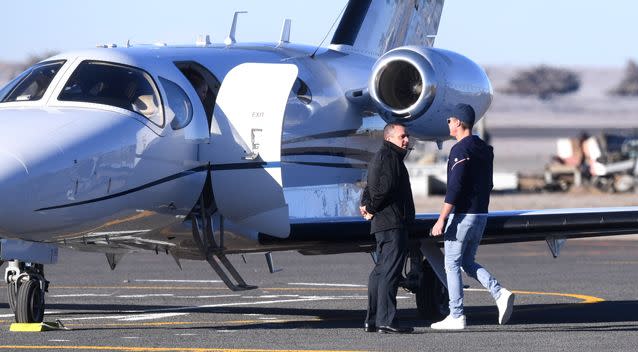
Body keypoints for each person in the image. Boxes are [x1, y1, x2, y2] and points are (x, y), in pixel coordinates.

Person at [430, 104, 515, 330]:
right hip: (481, 215)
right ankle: (499, 293)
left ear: (458, 122)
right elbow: (489, 184)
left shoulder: (460, 150)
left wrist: (441, 220)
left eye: (449, 120)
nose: (447, 123)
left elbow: (454, 188)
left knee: (451, 264)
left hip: (464, 216)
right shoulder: (484, 148)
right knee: (467, 262)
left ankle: (456, 315)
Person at [360, 123, 415, 334]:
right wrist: (371, 208)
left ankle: (372, 320)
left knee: (380, 271)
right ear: (390, 137)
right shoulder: (390, 158)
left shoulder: (380, 157)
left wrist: (366, 205)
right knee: (390, 273)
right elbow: (385, 188)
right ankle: (386, 320)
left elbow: (370, 186)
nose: (407, 140)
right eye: (403, 136)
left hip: (383, 225)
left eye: (407, 136)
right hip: (392, 224)